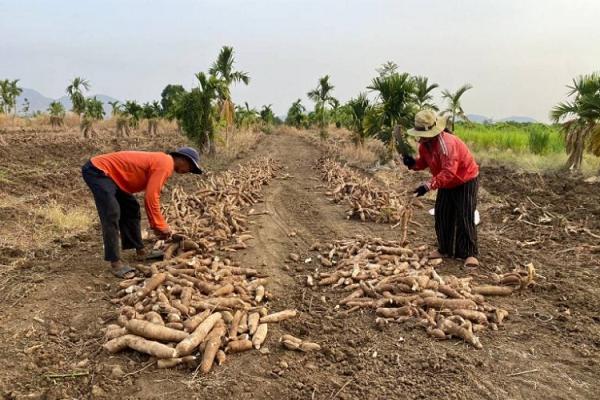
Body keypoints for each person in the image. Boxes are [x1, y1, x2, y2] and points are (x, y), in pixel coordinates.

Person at [81, 147, 204, 278]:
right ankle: (115, 263)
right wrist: (160, 226)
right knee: (111, 212)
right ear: (182, 159)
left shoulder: (162, 161)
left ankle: (140, 251)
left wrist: (157, 225)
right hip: (98, 171)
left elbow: (151, 196)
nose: (188, 171)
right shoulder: (166, 163)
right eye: (190, 167)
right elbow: (151, 197)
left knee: (131, 207)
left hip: (114, 178)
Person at [402, 110, 480, 267]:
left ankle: (470, 253)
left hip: (465, 179)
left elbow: (449, 171)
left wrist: (428, 185)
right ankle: (444, 249)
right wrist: (412, 164)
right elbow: (424, 163)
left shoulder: (447, 145)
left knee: (464, 215)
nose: (420, 137)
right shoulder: (425, 146)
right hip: (446, 181)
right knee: (442, 214)